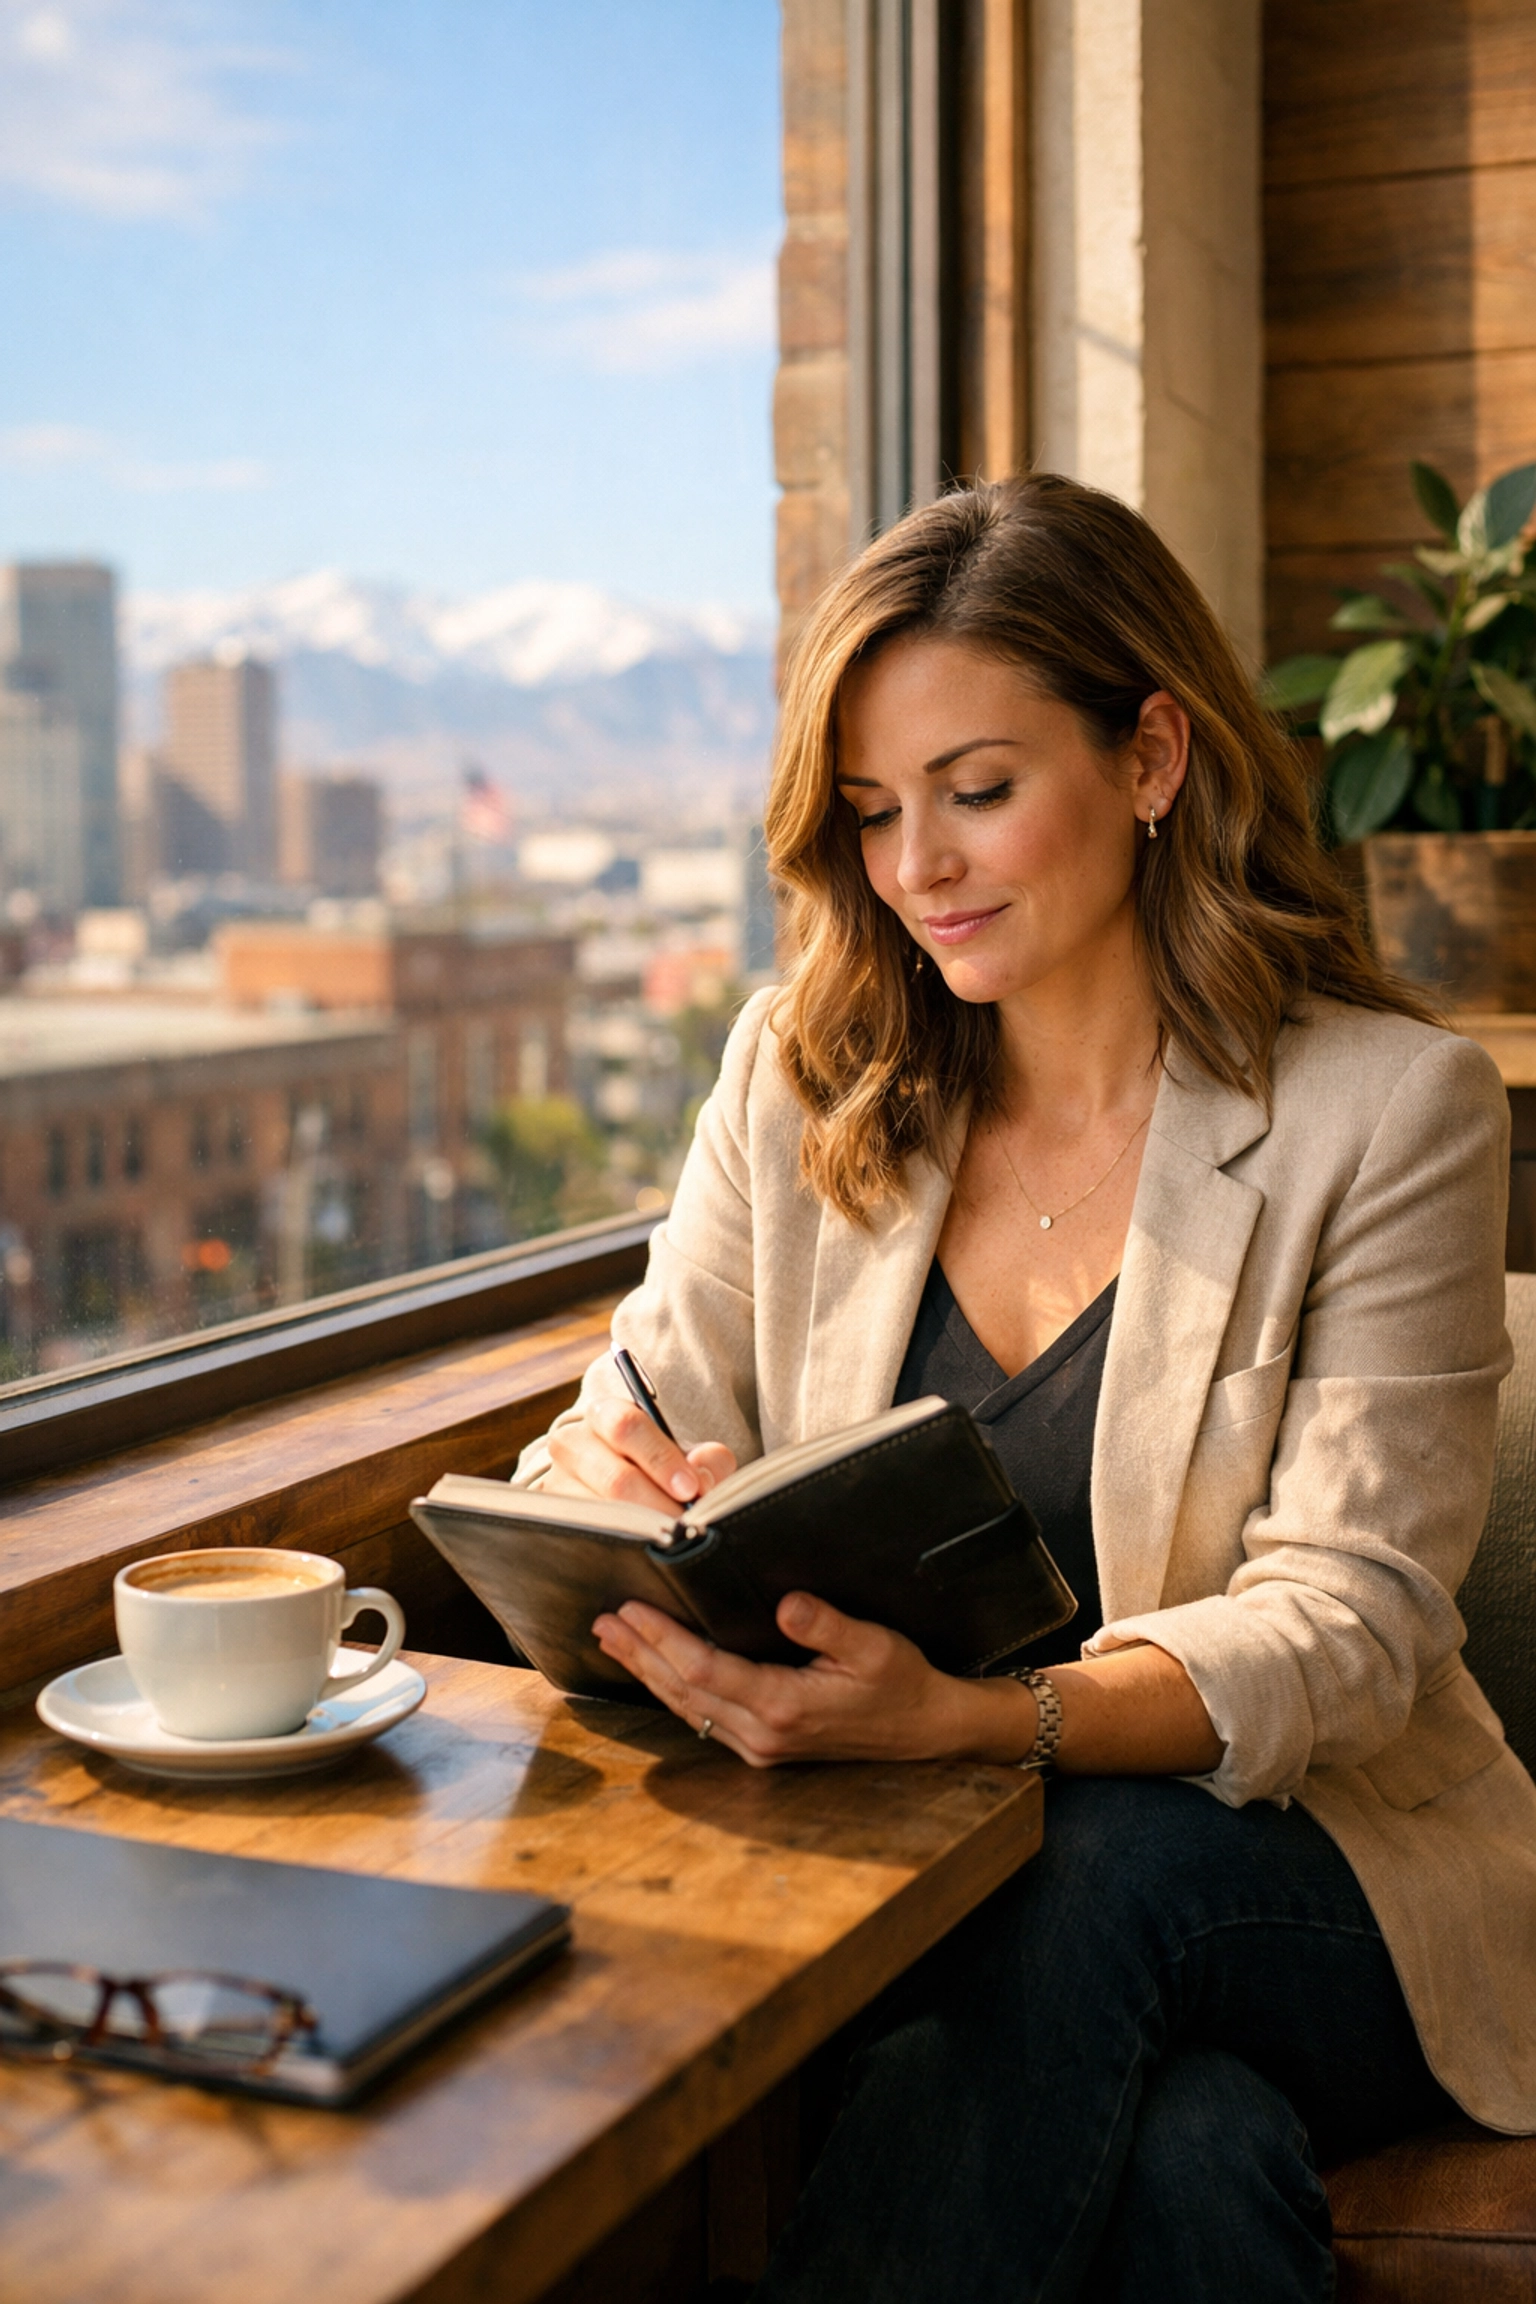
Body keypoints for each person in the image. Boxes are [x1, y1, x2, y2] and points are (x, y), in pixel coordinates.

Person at [515, 475, 1536, 2301]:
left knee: (1082, 1871)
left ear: (1151, 757)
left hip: (1310, 1871)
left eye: (976, 791)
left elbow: (1352, 1627)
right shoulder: (798, 1073)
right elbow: (622, 1416)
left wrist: (984, 1727)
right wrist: (605, 1493)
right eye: (872, 811)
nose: (917, 866)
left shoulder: (1391, 1112)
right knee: (1190, 2161)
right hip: (918, 1878)